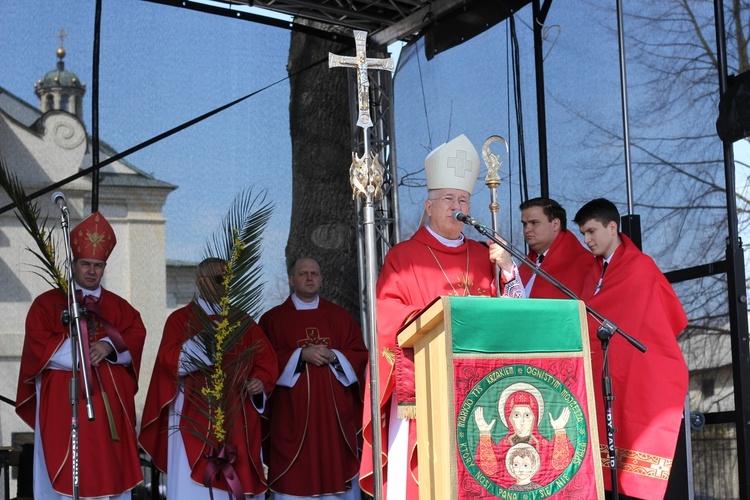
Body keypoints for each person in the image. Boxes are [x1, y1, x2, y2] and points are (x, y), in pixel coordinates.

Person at [359, 134, 497, 499]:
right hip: (425, 385)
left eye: (463, 199)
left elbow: (502, 316)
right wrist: (436, 316)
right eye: (448, 199)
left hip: (478, 385)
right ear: (429, 205)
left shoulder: (486, 257)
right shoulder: (404, 257)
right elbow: (385, 318)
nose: (457, 206)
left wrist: (509, 272)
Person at [15, 211, 146, 499]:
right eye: (85, 264)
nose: (91, 271)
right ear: (73, 264)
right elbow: (38, 346)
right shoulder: (48, 304)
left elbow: (136, 336)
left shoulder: (120, 307)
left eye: (98, 265)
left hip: (107, 408)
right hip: (65, 406)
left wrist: (110, 347)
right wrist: (81, 352)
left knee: (108, 476)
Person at [573, 198, 688, 500]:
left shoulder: (640, 267)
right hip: (606, 374)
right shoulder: (593, 271)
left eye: (591, 231)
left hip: (637, 375)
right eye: (583, 233)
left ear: (613, 228)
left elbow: (668, 320)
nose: (587, 240)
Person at [139, 257, 278, 499]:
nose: (222, 284)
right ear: (199, 281)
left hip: (236, 419)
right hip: (193, 418)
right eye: (216, 279)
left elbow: (265, 361)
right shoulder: (181, 319)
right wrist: (207, 342)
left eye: (226, 279)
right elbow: (170, 360)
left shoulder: (243, 322)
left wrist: (259, 381)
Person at [259, 257, 368, 499]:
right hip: (292, 418)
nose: (309, 278)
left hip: (334, 419)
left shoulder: (340, 317)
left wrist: (335, 355)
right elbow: (263, 361)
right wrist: (300, 355)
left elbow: (360, 355)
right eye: (303, 273)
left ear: (321, 279)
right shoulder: (273, 320)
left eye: (314, 273)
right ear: (291, 279)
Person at [473, 383, 572, 489]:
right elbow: (491, 472)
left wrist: (559, 430)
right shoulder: (503, 445)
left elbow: (560, 469)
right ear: (509, 418)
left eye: (527, 415)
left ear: (535, 417)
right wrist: (484, 434)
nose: (522, 421)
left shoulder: (543, 444)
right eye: (516, 415)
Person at [489, 197, 593, 298]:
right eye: (525, 224)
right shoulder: (528, 263)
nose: (527, 229)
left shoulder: (584, 263)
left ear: (555, 224)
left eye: (534, 223)